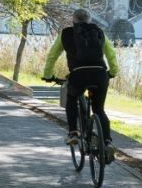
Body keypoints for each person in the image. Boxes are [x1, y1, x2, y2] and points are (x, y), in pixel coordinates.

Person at [42, 8, 119, 158]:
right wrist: (112, 72)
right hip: (100, 74)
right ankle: (107, 142)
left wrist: (48, 75)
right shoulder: (99, 32)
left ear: (73, 20)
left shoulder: (66, 33)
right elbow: (111, 54)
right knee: (99, 110)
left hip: (78, 75)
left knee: (71, 99)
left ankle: (73, 133)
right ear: (89, 20)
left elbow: (52, 56)